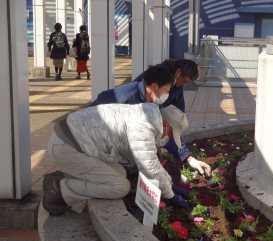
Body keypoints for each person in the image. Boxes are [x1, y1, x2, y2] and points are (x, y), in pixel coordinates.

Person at [43, 66, 188, 216]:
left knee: (119, 172)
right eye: (167, 90)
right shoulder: (142, 125)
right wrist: (170, 195)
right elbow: (149, 166)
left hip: (77, 143)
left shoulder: (147, 113)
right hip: (67, 147)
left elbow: (148, 161)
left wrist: (168, 183)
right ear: (167, 126)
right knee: (119, 187)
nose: (169, 138)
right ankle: (60, 189)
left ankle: (72, 177)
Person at [91, 59, 211, 177]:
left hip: (104, 140)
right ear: (153, 87)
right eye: (166, 90)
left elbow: (174, 126)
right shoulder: (130, 102)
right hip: (93, 144)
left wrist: (187, 157)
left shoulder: (165, 91)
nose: (168, 94)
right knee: (122, 181)